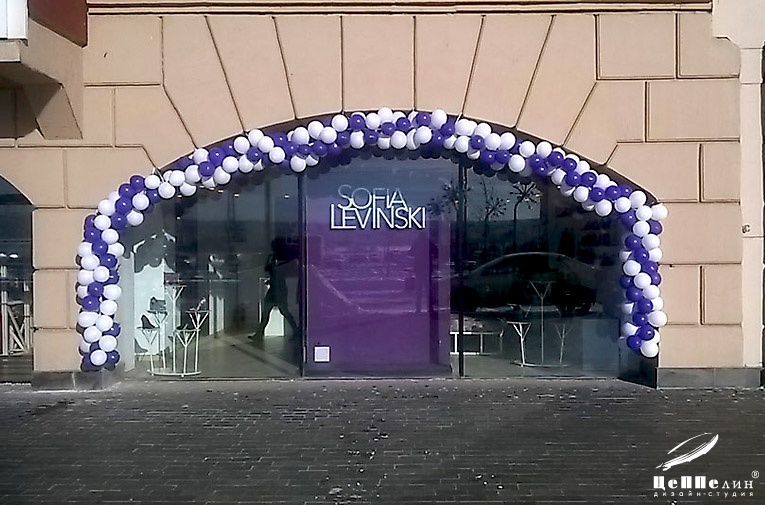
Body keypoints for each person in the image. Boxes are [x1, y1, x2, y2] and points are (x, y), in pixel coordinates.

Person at [250, 238, 299, 342]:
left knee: (284, 312)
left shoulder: (285, 260)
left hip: (280, 290)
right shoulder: (274, 258)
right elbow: (268, 269)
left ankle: (296, 332)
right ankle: (259, 333)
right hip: (274, 288)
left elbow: (283, 271)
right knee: (266, 312)